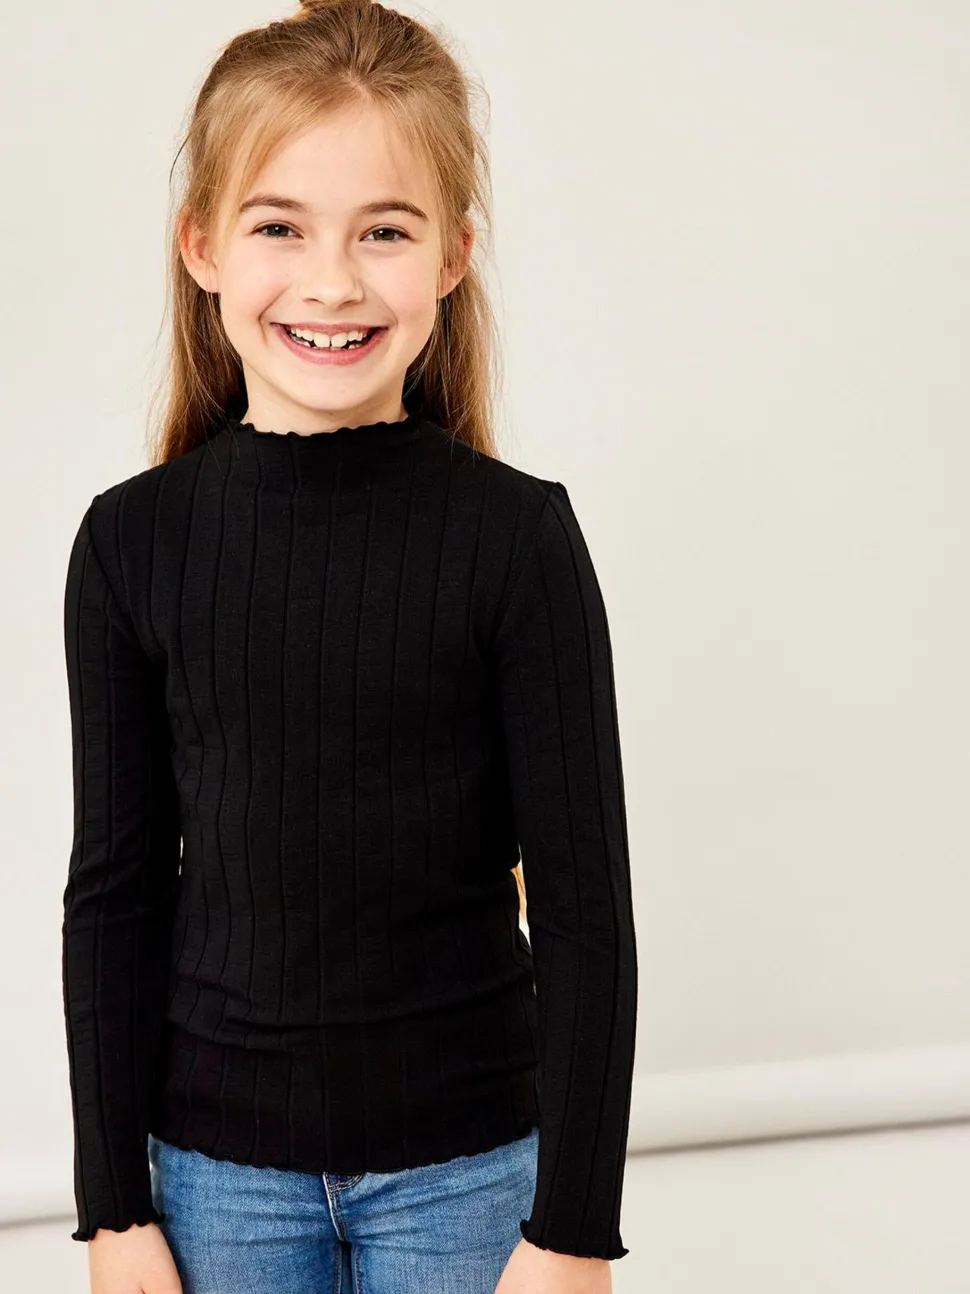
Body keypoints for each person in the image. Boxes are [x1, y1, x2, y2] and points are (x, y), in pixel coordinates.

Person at [60, 1, 638, 1290]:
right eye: (281, 227)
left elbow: (586, 908)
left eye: (384, 230)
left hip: (471, 1183)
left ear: (455, 254)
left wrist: (572, 1231)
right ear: (202, 246)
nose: (332, 282)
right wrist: (112, 1210)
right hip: (213, 1191)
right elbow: (115, 895)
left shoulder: (519, 540)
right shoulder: (131, 545)